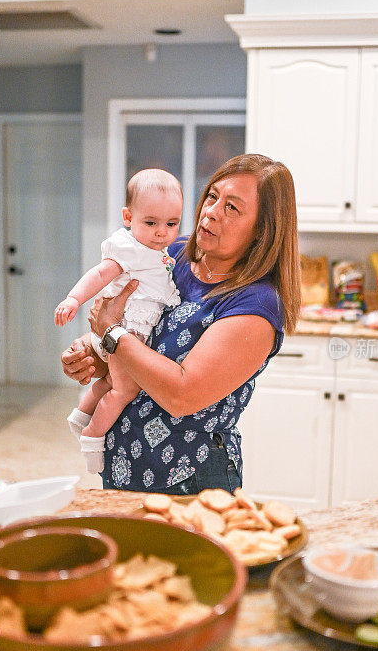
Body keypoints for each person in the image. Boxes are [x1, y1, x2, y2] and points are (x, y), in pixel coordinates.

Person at [61, 154, 300, 493]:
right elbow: (134, 343)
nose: (212, 211)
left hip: (190, 479)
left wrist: (110, 333)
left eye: (232, 208)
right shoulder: (170, 254)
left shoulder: (256, 304)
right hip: (124, 465)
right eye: (213, 196)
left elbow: (182, 394)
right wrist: (92, 358)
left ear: (262, 230)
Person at [54, 168, 183, 472]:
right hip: (124, 334)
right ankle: (92, 438)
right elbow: (100, 274)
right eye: (150, 222)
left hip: (123, 336)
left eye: (171, 223)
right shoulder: (129, 248)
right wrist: (74, 298)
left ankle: (81, 415)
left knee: (111, 381)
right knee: (124, 391)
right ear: (128, 217)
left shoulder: (159, 251)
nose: (161, 231)